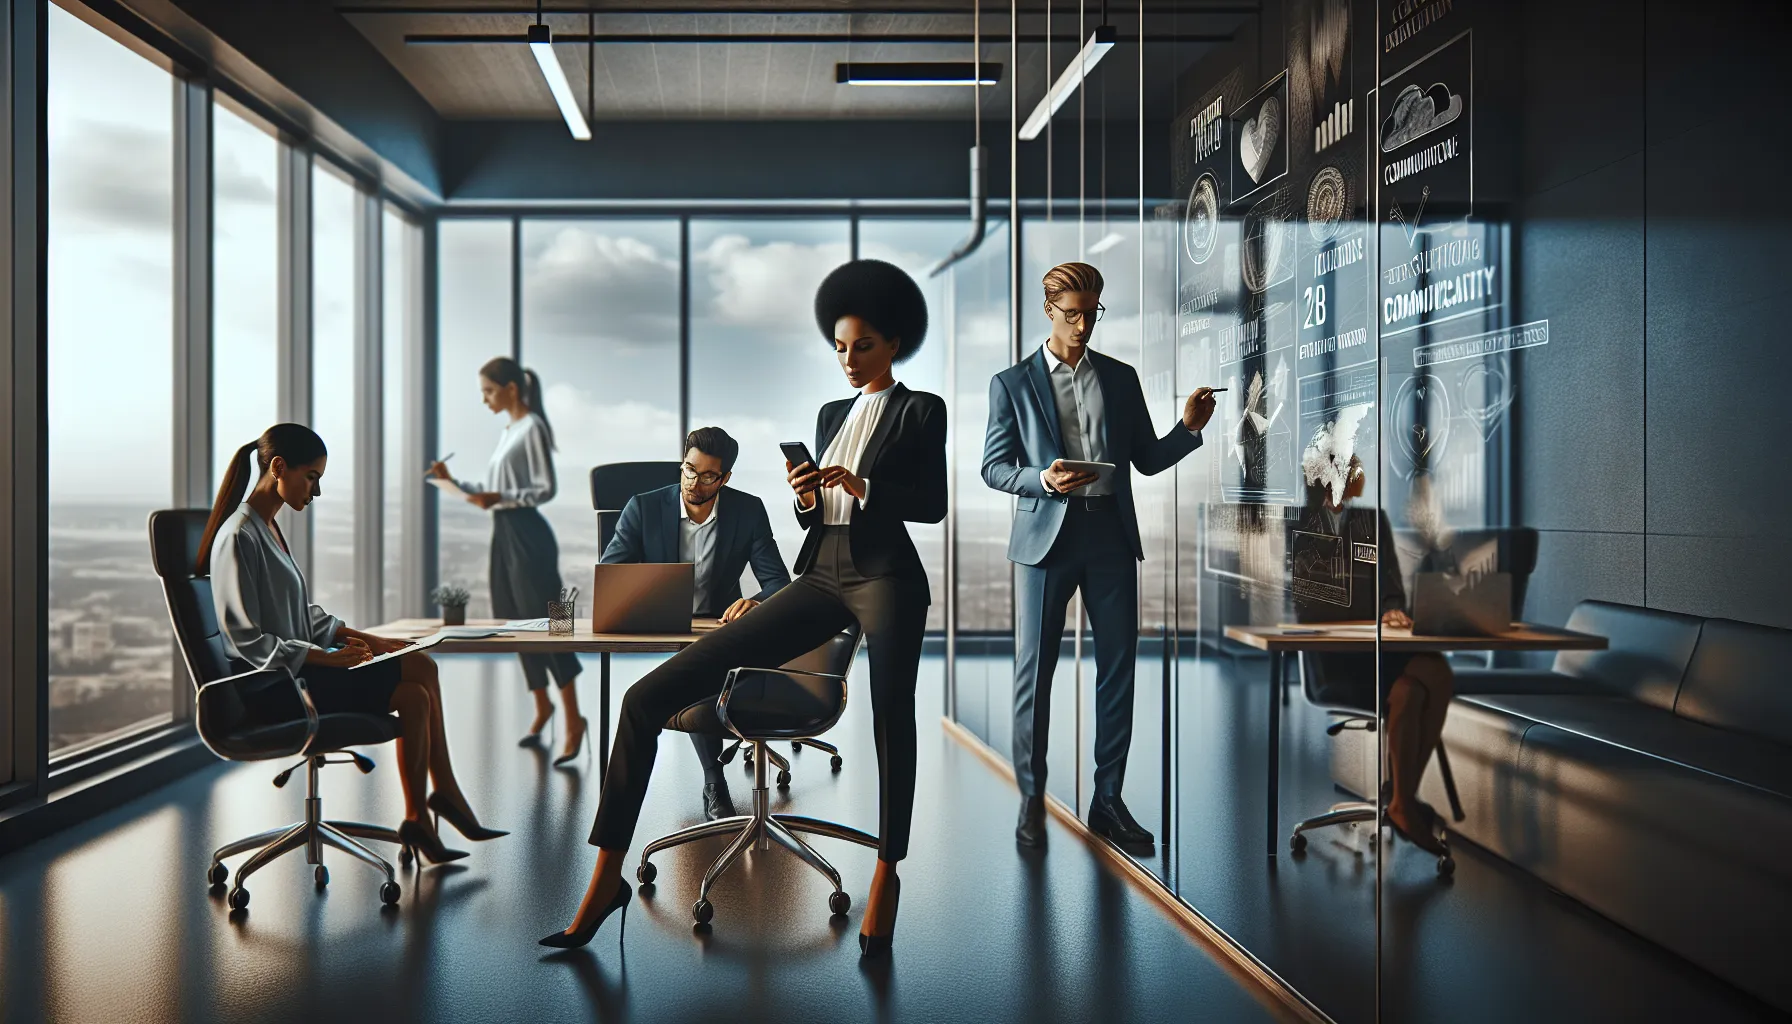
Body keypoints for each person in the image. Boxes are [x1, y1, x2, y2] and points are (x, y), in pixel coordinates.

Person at [543, 259, 945, 958]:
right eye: (840, 348)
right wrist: (808, 496)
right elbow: (817, 519)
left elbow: (932, 504)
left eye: (864, 347)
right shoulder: (830, 414)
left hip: (887, 578)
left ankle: (887, 875)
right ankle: (605, 879)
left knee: (892, 720)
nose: (849, 361)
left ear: (895, 345)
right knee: (644, 697)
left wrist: (865, 483)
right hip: (821, 573)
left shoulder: (921, 409)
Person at [982, 261, 1219, 855]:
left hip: (1110, 535)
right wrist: (1043, 478)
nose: (1084, 325)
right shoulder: (1011, 383)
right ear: (1049, 311)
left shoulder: (1120, 377)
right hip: (1045, 543)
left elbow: (1145, 459)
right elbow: (993, 467)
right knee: (1034, 676)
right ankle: (1032, 800)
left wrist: (1187, 430)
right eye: (1073, 314)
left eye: (1092, 313)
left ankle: (1107, 800)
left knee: (1118, 670)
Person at [201, 424, 505, 865]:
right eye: (312, 477)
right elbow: (244, 639)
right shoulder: (238, 536)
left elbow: (301, 616)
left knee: (417, 685)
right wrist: (324, 658)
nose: (316, 491)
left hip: (299, 674)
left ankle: (423, 812)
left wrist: (370, 640)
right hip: (275, 688)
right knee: (421, 675)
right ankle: (443, 798)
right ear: (278, 467)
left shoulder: (267, 528)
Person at [600, 425, 793, 821]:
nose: (694, 481)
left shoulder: (747, 509)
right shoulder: (644, 506)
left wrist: (753, 603)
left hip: (719, 626)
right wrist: (654, 598)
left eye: (707, 476)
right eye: (689, 470)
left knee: (701, 666)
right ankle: (713, 779)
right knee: (692, 672)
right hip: (666, 623)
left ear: (724, 478)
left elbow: (778, 584)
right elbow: (611, 574)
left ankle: (713, 776)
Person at [1292, 439, 1454, 857]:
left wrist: (1393, 613)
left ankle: (1402, 800)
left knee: (1434, 671)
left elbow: (1393, 593)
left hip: (1383, 649)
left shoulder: (1373, 521)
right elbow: (1306, 605)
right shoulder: (1301, 525)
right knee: (1412, 689)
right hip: (1336, 660)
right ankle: (1403, 802)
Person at [429, 357, 588, 766]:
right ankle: (543, 706)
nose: (484, 400)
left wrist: (501, 498)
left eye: (488, 391)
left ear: (511, 388)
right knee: (512, 619)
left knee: (551, 624)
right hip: (503, 532)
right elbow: (494, 491)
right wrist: (451, 481)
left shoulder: (532, 426)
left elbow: (544, 488)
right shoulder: (508, 431)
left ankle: (573, 718)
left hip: (528, 533)